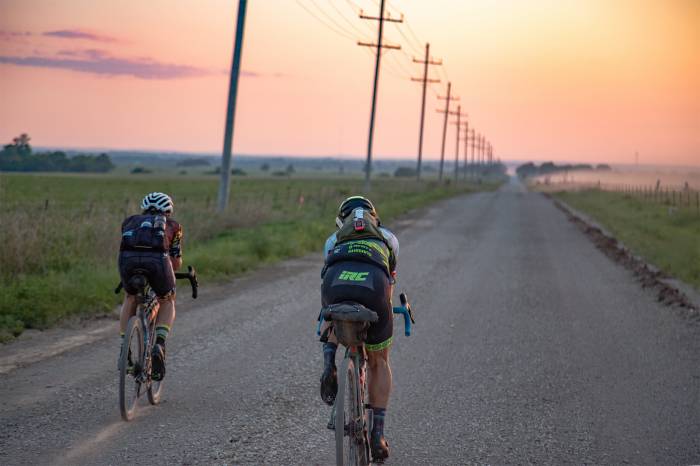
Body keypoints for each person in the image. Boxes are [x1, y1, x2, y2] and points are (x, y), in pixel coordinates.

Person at [319, 196, 399, 461]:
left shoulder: (333, 240)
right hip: (374, 288)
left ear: (342, 221)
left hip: (335, 286)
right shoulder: (388, 238)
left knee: (331, 309)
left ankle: (329, 361)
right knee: (379, 361)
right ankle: (377, 435)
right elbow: (389, 283)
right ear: (374, 217)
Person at [118, 192, 183, 381]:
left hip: (127, 262)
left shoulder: (129, 222)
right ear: (168, 211)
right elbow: (176, 262)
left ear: (143, 208)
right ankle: (159, 344)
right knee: (167, 299)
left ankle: (124, 346)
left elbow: (124, 247)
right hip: (158, 263)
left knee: (130, 296)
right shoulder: (174, 226)